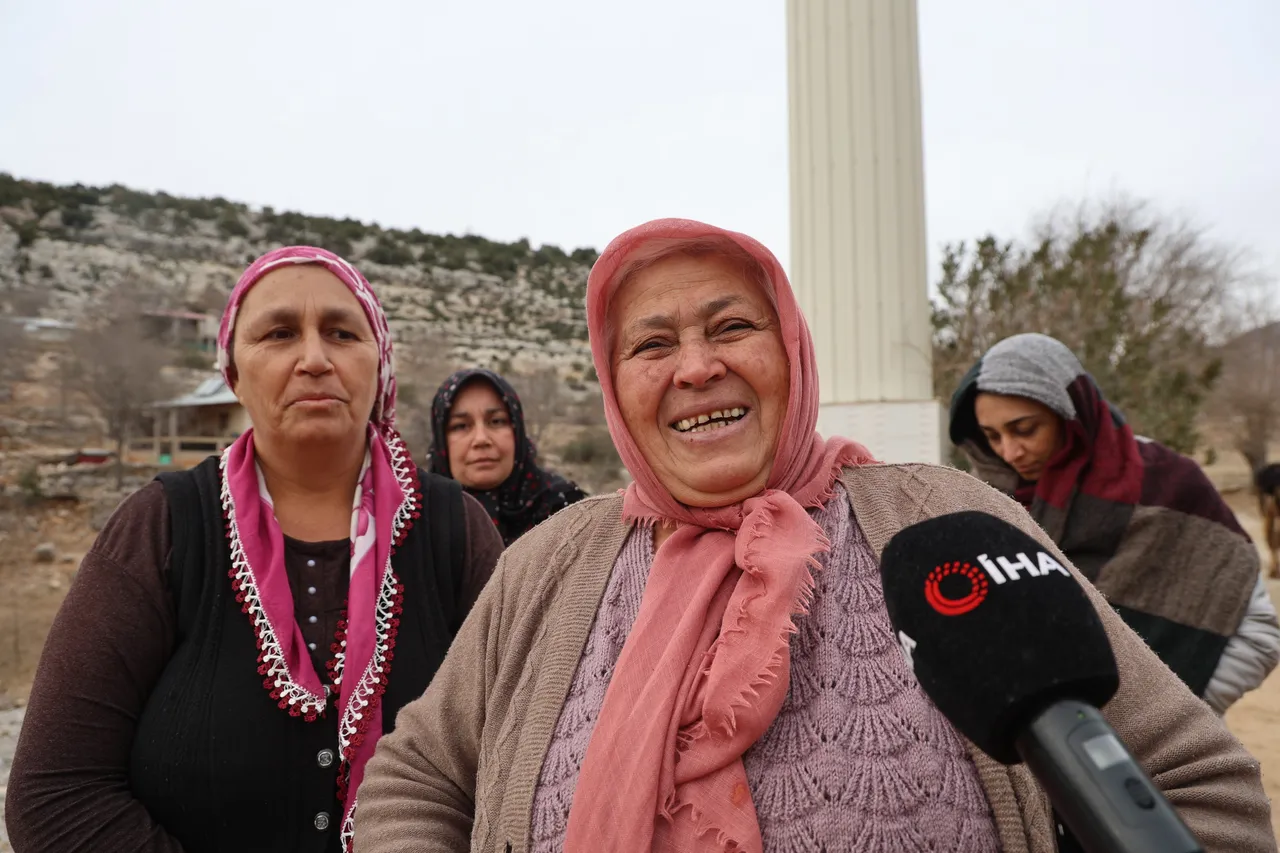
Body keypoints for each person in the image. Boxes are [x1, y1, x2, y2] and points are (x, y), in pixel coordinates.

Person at [351, 219, 1273, 853]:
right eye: (653, 344)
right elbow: (415, 777)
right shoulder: (548, 564)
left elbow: (1197, 785)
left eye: (732, 326)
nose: (698, 366)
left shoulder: (947, 522)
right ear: (612, 381)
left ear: (791, 349)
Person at [6, 247, 504, 853]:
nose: (315, 359)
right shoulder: (162, 527)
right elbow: (55, 793)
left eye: (343, 333)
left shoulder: (455, 531)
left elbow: (520, 762)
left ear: (380, 363)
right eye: (279, 333)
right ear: (234, 373)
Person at [949, 332, 1280, 714]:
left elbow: (1260, 635)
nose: (1010, 451)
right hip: (1028, 751)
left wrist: (1164, 715)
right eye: (992, 436)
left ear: (1070, 414)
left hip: (1163, 754)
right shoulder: (984, 503)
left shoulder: (1169, 485)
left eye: (1025, 429)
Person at [427, 367, 587, 545]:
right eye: (461, 426)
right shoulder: (417, 521)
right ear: (442, 442)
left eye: (496, 421)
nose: (481, 439)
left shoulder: (565, 512)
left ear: (517, 431)